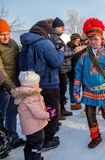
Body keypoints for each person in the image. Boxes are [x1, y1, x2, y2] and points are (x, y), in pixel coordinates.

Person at [73, 18, 105, 148]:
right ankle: (95, 137)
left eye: (95, 39)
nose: (92, 41)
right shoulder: (84, 56)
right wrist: (76, 88)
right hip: (89, 91)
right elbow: (78, 72)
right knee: (89, 115)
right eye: (90, 39)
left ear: (101, 39)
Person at [20, 20, 63, 151]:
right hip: (48, 83)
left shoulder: (27, 43)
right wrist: (60, 51)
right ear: (45, 31)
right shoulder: (44, 43)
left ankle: (42, 137)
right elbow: (57, 62)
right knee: (53, 111)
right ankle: (48, 140)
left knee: (38, 112)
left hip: (33, 85)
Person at [13, 71, 56, 160]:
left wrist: (45, 109)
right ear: (32, 84)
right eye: (37, 82)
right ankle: (36, 157)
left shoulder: (24, 93)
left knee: (30, 143)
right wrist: (48, 114)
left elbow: (36, 108)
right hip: (35, 127)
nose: (38, 84)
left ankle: (29, 157)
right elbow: (37, 113)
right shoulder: (30, 96)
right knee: (37, 144)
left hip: (29, 126)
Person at [0, 18, 26, 149]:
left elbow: (19, 60)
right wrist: (12, 89)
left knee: (12, 113)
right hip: (3, 87)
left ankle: (13, 138)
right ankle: (2, 141)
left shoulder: (13, 43)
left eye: (7, 33)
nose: (6, 37)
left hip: (14, 84)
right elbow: (1, 73)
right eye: (2, 34)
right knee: (2, 114)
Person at [50, 17, 73, 119]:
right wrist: (75, 51)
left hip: (61, 69)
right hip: (60, 69)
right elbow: (62, 53)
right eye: (62, 27)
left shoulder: (55, 38)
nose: (63, 29)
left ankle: (61, 110)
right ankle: (58, 113)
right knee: (60, 92)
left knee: (62, 92)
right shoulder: (55, 39)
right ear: (56, 27)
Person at [67, 33, 84, 111]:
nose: (78, 41)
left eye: (79, 40)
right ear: (72, 40)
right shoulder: (69, 48)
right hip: (72, 70)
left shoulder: (79, 47)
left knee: (78, 86)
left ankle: (77, 101)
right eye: (76, 40)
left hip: (79, 69)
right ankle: (73, 103)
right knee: (73, 86)